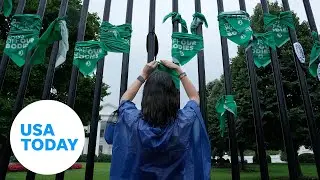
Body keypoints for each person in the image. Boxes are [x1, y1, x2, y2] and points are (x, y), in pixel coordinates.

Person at [105, 60, 211, 180]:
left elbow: (124, 101)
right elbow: (194, 97)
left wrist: (144, 75)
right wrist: (179, 71)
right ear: (174, 95)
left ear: (146, 96)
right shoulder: (184, 121)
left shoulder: (134, 121)